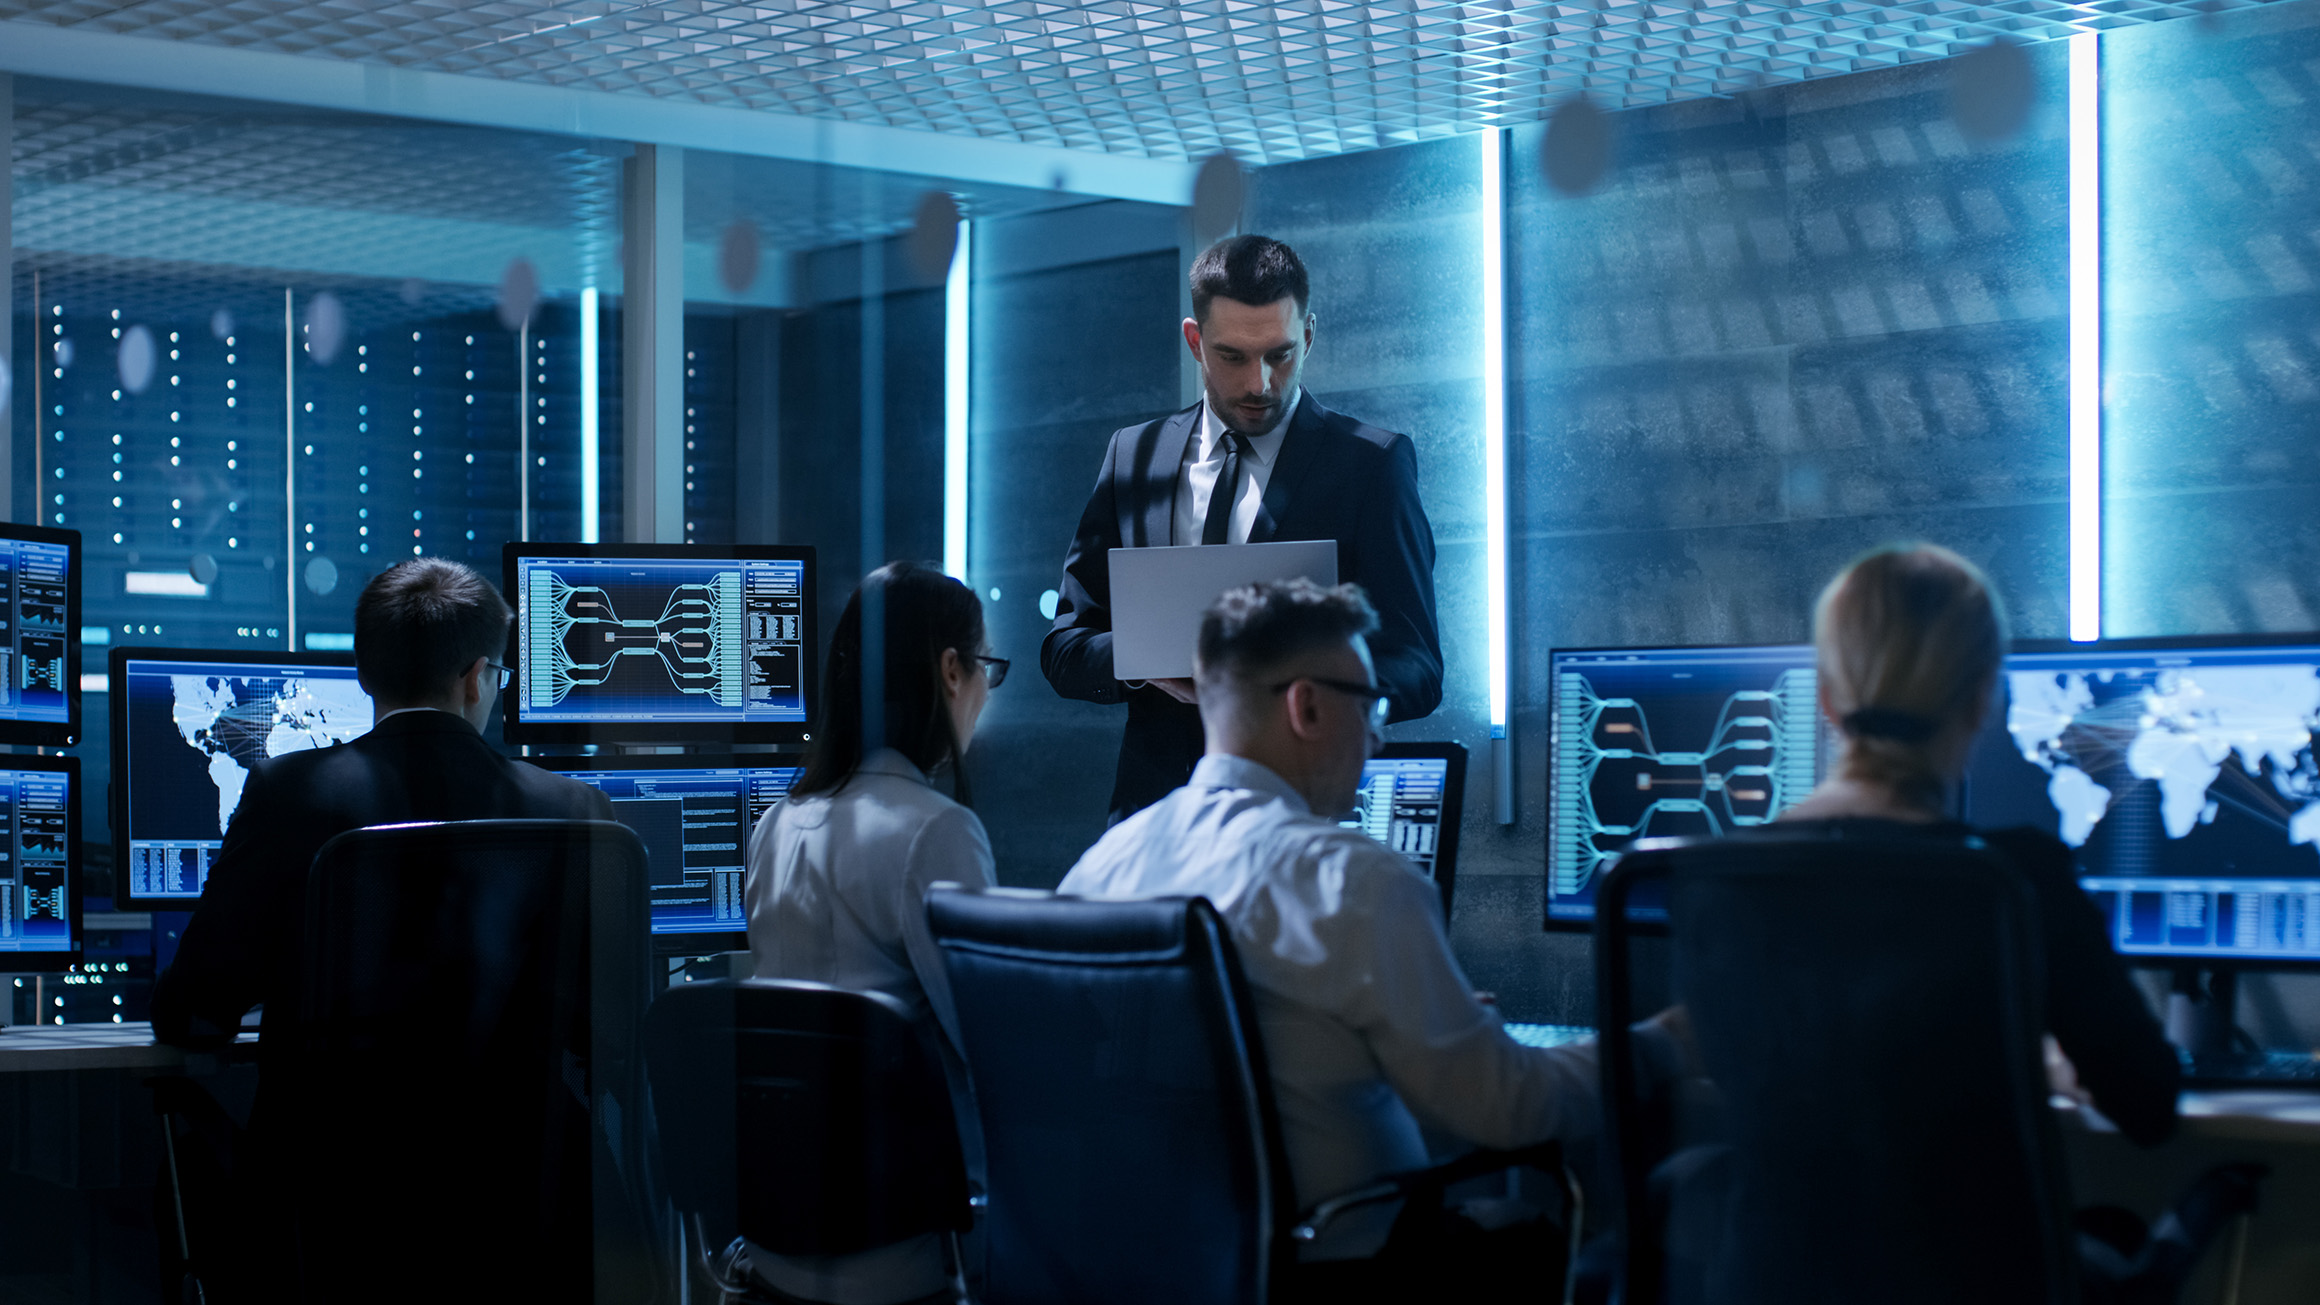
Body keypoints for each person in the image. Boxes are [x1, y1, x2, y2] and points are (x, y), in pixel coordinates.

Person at [1059, 579, 1597, 1297]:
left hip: (1145, 1267)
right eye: (1370, 705)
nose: (1378, 734)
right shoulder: (1352, 877)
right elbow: (1509, 1107)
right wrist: (1660, 1042)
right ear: (1306, 705)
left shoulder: (1099, 867)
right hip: (1340, 1268)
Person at [1779, 543, 2180, 1144]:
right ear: (1982, 698)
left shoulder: (1717, 877)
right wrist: (2043, 1062)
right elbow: (2148, 1108)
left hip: (1767, 1238)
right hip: (1974, 1238)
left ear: (1827, 701)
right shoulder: (2012, 879)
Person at [1042, 234, 1443, 823]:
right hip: (1154, 820)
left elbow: (1418, 667)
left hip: (1300, 821)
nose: (1260, 383)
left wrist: (1308, 693)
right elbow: (1065, 646)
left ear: (1308, 336)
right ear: (1195, 342)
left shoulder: (1370, 466)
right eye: (1233, 357)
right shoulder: (1135, 456)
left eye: (1280, 354)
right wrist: (1143, 662)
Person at [152, 556, 613, 1048]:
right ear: (477, 678)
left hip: (329, 1125)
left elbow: (195, 1008)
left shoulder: (288, 791)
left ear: (363, 675)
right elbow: (608, 1019)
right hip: (512, 1124)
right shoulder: (574, 809)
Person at [742, 561, 1001, 1305]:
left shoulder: (776, 823)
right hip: (903, 1250)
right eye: (985, 667)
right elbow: (985, 1043)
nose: (985, 691)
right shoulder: (936, 830)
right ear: (951, 669)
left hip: (777, 1246)